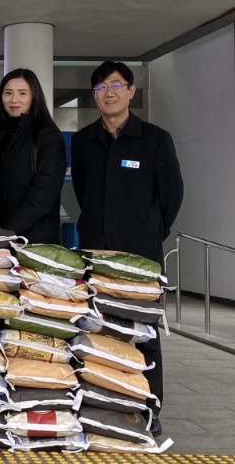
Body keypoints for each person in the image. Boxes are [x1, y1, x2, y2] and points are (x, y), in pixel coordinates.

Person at [72, 60, 184, 437]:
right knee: (100, 334)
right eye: (102, 87)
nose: (110, 92)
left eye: (117, 85)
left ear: (132, 91)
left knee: (144, 337)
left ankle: (150, 413)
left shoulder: (155, 139)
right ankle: (107, 412)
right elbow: (82, 192)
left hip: (140, 261)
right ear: (95, 95)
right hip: (96, 257)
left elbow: (171, 197)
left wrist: (149, 233)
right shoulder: (85, 141)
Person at [0, 69, 66, 243]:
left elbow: (43, 194)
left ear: (34, 96)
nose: (14, 99)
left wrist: (8, 231)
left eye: (22, 93)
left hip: (33, 239)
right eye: (8, 93)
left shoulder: (47, 135)